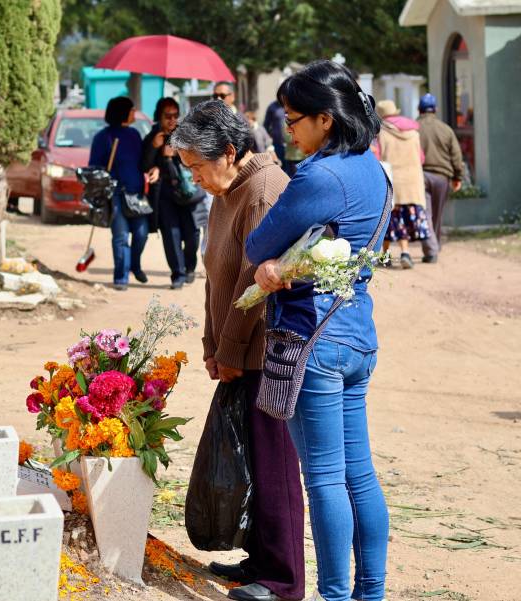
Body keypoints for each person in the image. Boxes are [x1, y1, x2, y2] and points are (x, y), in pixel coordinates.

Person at [245, 60, 389, 601]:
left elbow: (257, 246)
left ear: (326, 120)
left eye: (295, 118)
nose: (289, 129)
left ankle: (333, 595)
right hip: (356, 335)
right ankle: (369, 593)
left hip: (315, 339)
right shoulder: (373, 168)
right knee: (360, 476)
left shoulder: (318, 176)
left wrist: (273, 266)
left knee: (326, 479)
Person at [171, 100, 305, 601]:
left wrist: (228, 348)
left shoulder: (265, 191)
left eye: (198, 167)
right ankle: (259, 562)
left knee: (275, 464)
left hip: (267, 347)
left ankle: (285, 582)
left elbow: (255, 286)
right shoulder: (224, 193)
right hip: (234, 349)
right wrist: (212, 344)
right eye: (188, 169)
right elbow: (217, 278)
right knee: (249, 456)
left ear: (229, 152)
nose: (194, 179)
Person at [89, 96, 157, 291]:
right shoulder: (103, 138)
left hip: (136, 195)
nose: (134, 112)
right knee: (120, 236)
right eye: (132, 110)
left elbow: (143, 161)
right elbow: (94, 168)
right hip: (115, 195)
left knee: (142, 233)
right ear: (123, 113)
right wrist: (105, 173)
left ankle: (134, 265)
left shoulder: (134, 134)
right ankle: (121, 277)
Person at [141, 98, 201, 289]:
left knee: (192, 234)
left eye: (176, 115)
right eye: (168, 116)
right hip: (165, 194)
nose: (172, 120)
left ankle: (190, 267)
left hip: (188, 192)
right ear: (159, 116)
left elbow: (198, 159)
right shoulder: (153, 136)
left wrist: (175, 153)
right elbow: (144, 165)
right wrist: (155, 148)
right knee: (171, 234)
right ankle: (178, 274)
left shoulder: (185, 135)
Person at [373, 99, 436, 268]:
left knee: (392, 219)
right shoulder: (414, 133)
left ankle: (404, 253)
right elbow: (421, 157)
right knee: (399, 220)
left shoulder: (382, 133)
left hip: (394, 181)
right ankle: (385, 255)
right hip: (412, 182)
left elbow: (377, 157)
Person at [417, 93, 465, 250]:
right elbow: (456, 155)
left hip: (420, 176)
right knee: (436, 215)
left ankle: (431, 247)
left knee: (425, 213)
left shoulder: (414, 128)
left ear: (419, 109)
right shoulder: (446, 129)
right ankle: (434, 245)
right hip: (441, 178)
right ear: (435, 109)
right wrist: (458, 176)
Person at [263, 100, 287, 170]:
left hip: (292, 146)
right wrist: (272, 134)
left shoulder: (291, 104)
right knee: (280, 167)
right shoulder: (272, 107)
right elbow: (266, 125)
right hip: (278, 144)